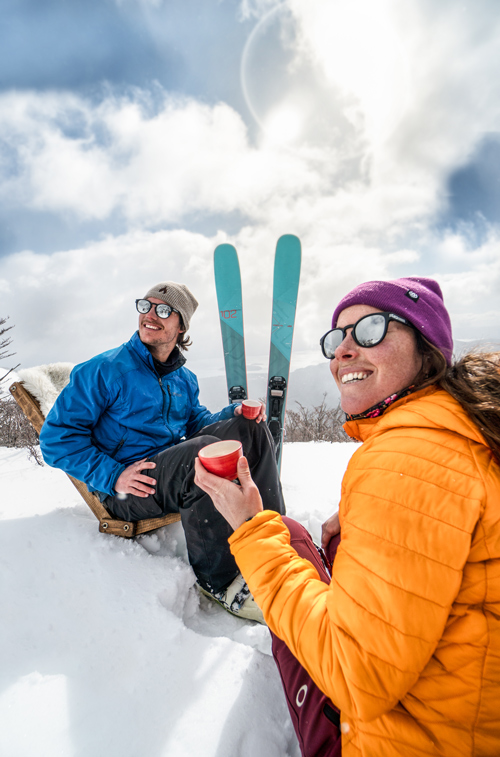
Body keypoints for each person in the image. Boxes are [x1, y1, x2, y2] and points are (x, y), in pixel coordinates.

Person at [194, 276, 500, 756]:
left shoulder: (407, 460)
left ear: (428, 349)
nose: (343, 352)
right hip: (466, 706)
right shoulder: (467, 431)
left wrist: (251, 529)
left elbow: (355, 674)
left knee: (282, 536)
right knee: (318, 541)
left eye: (372, 329)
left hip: (395, 739)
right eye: (337, 339)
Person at [39, 281, 285, 623]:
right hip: (127, 489)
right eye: (146, 306)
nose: (151, 315)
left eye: (164, 310)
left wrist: (235, 415)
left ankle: (277, 540)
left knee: (253, 430)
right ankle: (220, 582)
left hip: (168, 470)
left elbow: (196, 422)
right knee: (201, 453)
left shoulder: (183, 379)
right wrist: (113, 476)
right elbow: (54, 440)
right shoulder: (104, 370)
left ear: (180, 326)